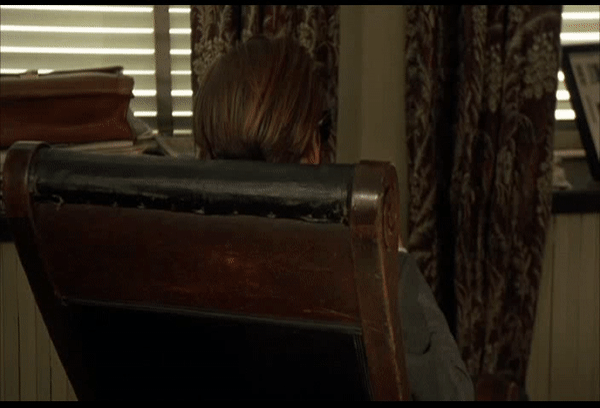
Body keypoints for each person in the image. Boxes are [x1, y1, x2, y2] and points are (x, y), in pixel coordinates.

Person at [193, 35, 474, 401]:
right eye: (323, 131)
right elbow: (452, 393)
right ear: (311, 146)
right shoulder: (361, 261)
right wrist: (395, 258)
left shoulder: (169, 253)